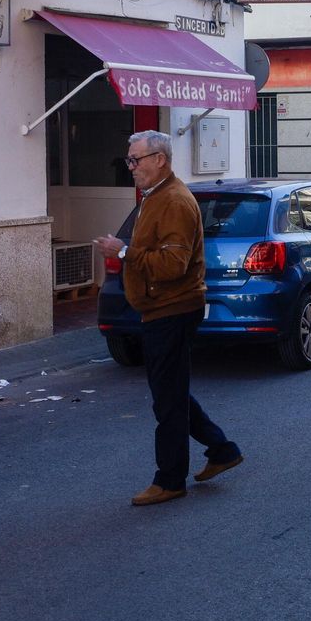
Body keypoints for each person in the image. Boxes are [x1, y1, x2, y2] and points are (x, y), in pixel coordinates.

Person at [93, 131, 243, 507]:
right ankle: (221, 449)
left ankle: (170, 479)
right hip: (163, 308)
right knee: (171, 391)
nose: (131, 168)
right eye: (129, 160)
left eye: (136, 160)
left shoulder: (173, 200)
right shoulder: (156, 197)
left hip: (172, 308)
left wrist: (123, 251)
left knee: (167, 399)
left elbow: (173, 265)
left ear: (160, 159)